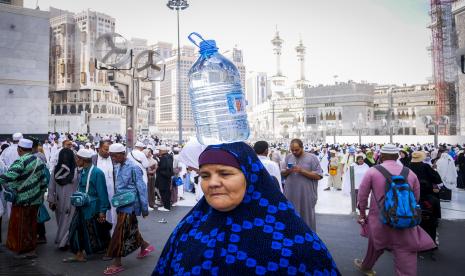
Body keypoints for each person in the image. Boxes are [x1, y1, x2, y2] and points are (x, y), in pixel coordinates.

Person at [152, 142, 340, 275]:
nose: (213, 183)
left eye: (225, 173)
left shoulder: (295, 242)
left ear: (250, 177)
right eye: (205, 175)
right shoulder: (188, 230)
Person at [355, 144, 435, 276]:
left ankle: (366, 266)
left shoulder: (372, 171)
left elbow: (362, 196)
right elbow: (415, 198)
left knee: (376, 243)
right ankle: (367, 266)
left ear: (382, 156)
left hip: (380, 220)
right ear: (397, 156)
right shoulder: (410, 173)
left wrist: (362, 214)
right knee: (405, 253)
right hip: (405, 221)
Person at [105, 143, 153, 275]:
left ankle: (117, 263)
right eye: (112, 156)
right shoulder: (116, 166)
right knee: (131, 228)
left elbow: (142, 189)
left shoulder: (134, 167)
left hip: (130, 205)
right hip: (120, 203)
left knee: (119, 232)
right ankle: (144, 245)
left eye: (115, 156)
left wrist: (144, 209)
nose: (113, 158)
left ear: (122, 154)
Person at [0, 138, 47, 258]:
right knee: (31, 225)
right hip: (35, 200)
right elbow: (43, 181)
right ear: (30, 149)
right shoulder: (39, 161)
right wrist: (40, 195)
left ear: (19, 149)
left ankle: (20, 248)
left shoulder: (20, 162)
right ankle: (31, 249)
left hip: (22, 200)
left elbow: (9, 177)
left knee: (19, 225)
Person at [64, 149, 111, 263]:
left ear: (83, 160)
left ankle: (110, 250)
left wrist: (102, 211)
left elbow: (102, 193)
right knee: (75, 229)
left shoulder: (97, 173)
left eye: (77, 158)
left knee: (97, 231)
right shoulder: (83, 171)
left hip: (92, 209)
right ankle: (79, 254)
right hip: (82, 207)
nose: (76, 160)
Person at [282, 139, 323, 231]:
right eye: (292, 150)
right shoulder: (289, 157)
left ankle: (309, 240)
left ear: (302, 147)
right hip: (290, 194)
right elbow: (283, 173)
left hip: (306, 195)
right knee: (291, 216)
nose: (294, 152)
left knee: (307, 218)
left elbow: (318, 176)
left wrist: (302, 171)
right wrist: (288, 171)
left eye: (297, 150)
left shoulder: (312, 158)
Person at [407, 151, 442, 246]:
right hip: (426, 197)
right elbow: (437, 179)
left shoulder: (407, 168)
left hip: (411, 197)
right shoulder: (425, 166)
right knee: (431, 221)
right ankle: (430, 242)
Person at [47, 148, 78, 249]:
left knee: (63, 221)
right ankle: (65, 241)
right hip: (71, 201)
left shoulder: (56, 170)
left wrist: (51, 200)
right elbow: (51, 187)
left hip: (62, 201)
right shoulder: (75, 170)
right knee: (65, 221)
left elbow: (51, 187)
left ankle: (63, 241)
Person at [92, 140, 117, 231]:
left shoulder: (114, 159)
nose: (108, 152)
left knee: (112, 216)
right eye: (106, 149)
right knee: (99, 215)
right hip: (98, 193)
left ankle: (113, 237)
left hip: (113, 193)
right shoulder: (93, 159)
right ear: (99, 148)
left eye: (109, 150)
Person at [155, 145, 174, 212]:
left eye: (159, 150)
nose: (159, 152)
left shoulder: (163, 158)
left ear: (163, 151)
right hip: (168, 176)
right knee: (167, 191)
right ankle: (167, 206)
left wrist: (157, 168)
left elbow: (163, 167)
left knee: (163, 191)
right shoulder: (170, 156)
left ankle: (166, 207)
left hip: (163, 177)